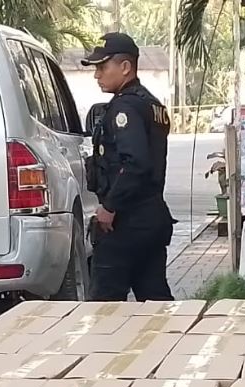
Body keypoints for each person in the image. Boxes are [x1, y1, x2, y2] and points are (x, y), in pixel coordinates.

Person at [81, 32, 174, 301]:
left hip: (124, 222)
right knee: (154, 298)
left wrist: (109, 207)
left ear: (125, 67)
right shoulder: (152, 105)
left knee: (105, 306)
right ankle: (169, 343)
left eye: (102, 67)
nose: (97, 75)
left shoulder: (125, 108)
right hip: (151, 217)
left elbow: (134, 163)